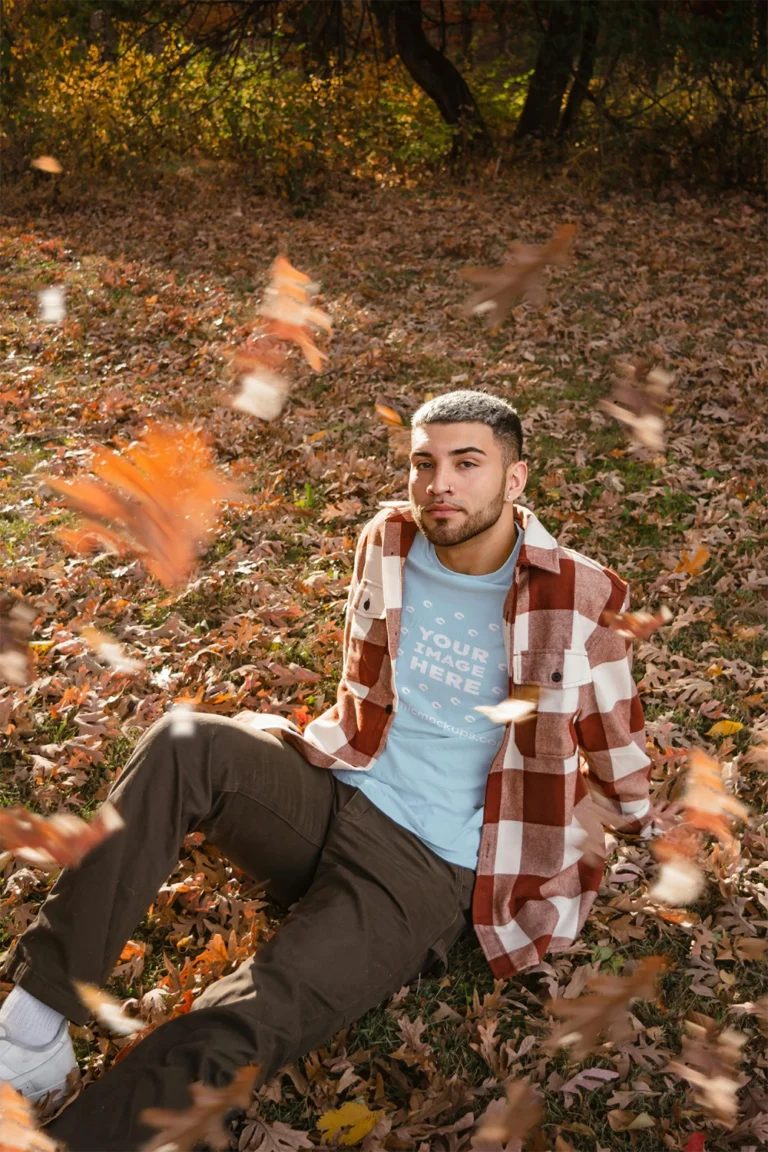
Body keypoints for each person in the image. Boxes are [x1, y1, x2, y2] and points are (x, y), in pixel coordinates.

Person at [0, 390, 651, 1150]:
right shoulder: (389, 540)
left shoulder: (578, 597)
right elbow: (364, 689)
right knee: (186, 740)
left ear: (514, 481)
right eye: (424, 462)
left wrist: (557, 857)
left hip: (425, 867)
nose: (439, 483)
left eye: (466, 464)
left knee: (248, 1012)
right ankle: (32, 1027)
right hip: (337, 788)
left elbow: (622, 773)